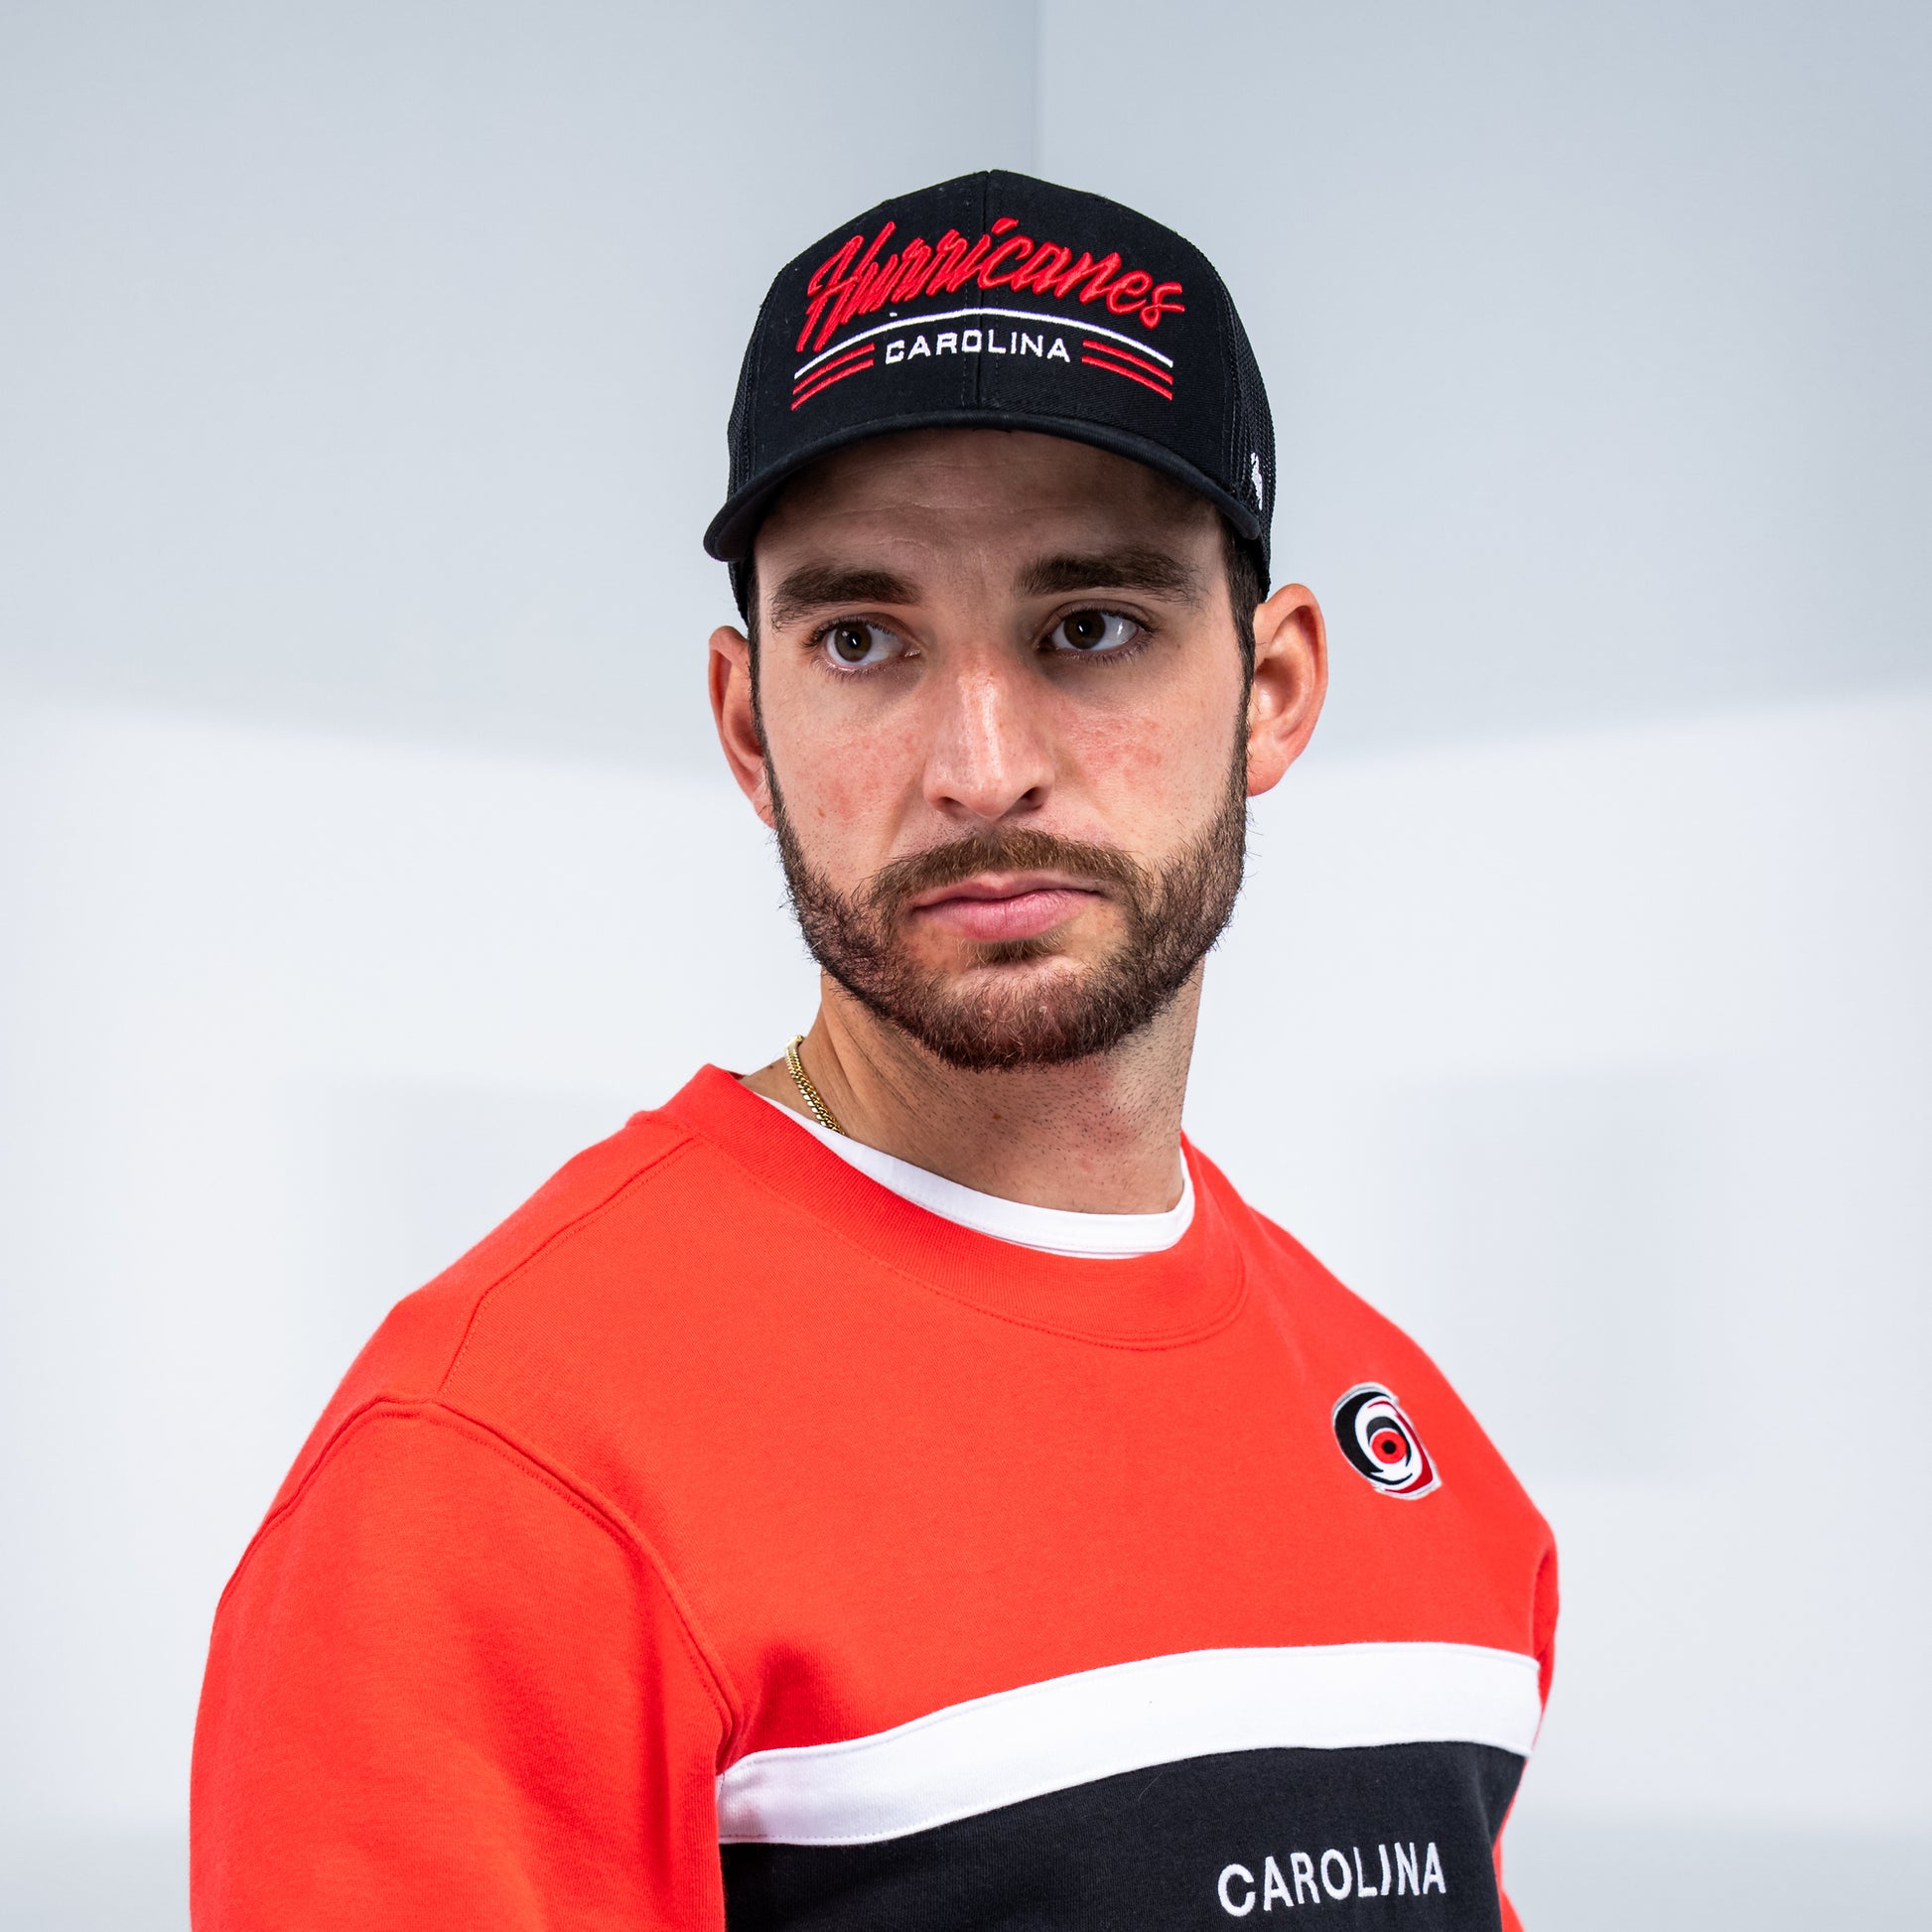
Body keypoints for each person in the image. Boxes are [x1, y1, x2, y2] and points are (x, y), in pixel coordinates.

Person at [192, 171, 1557, 1931]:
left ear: (1270, 686)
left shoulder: (1429, 1474)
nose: (978, 762)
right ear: (748, 722)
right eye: (862, 639)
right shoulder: (498, 1474)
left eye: (1092, 626)